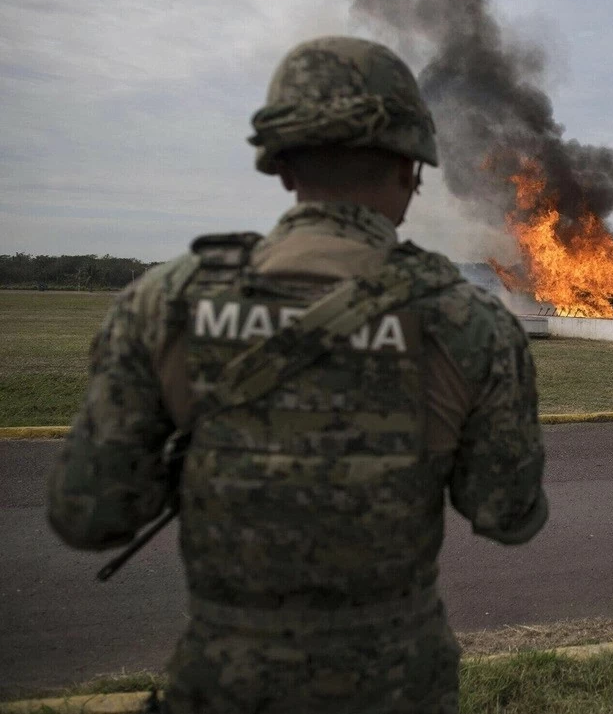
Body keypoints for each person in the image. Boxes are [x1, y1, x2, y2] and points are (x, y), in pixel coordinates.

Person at [47, 36, 548, 713]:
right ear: (409, 166)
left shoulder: (165, 304)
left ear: (282, 167)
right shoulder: (472, 324)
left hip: (224, 688)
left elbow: (89, 514)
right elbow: (508, 515)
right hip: (400, 688)